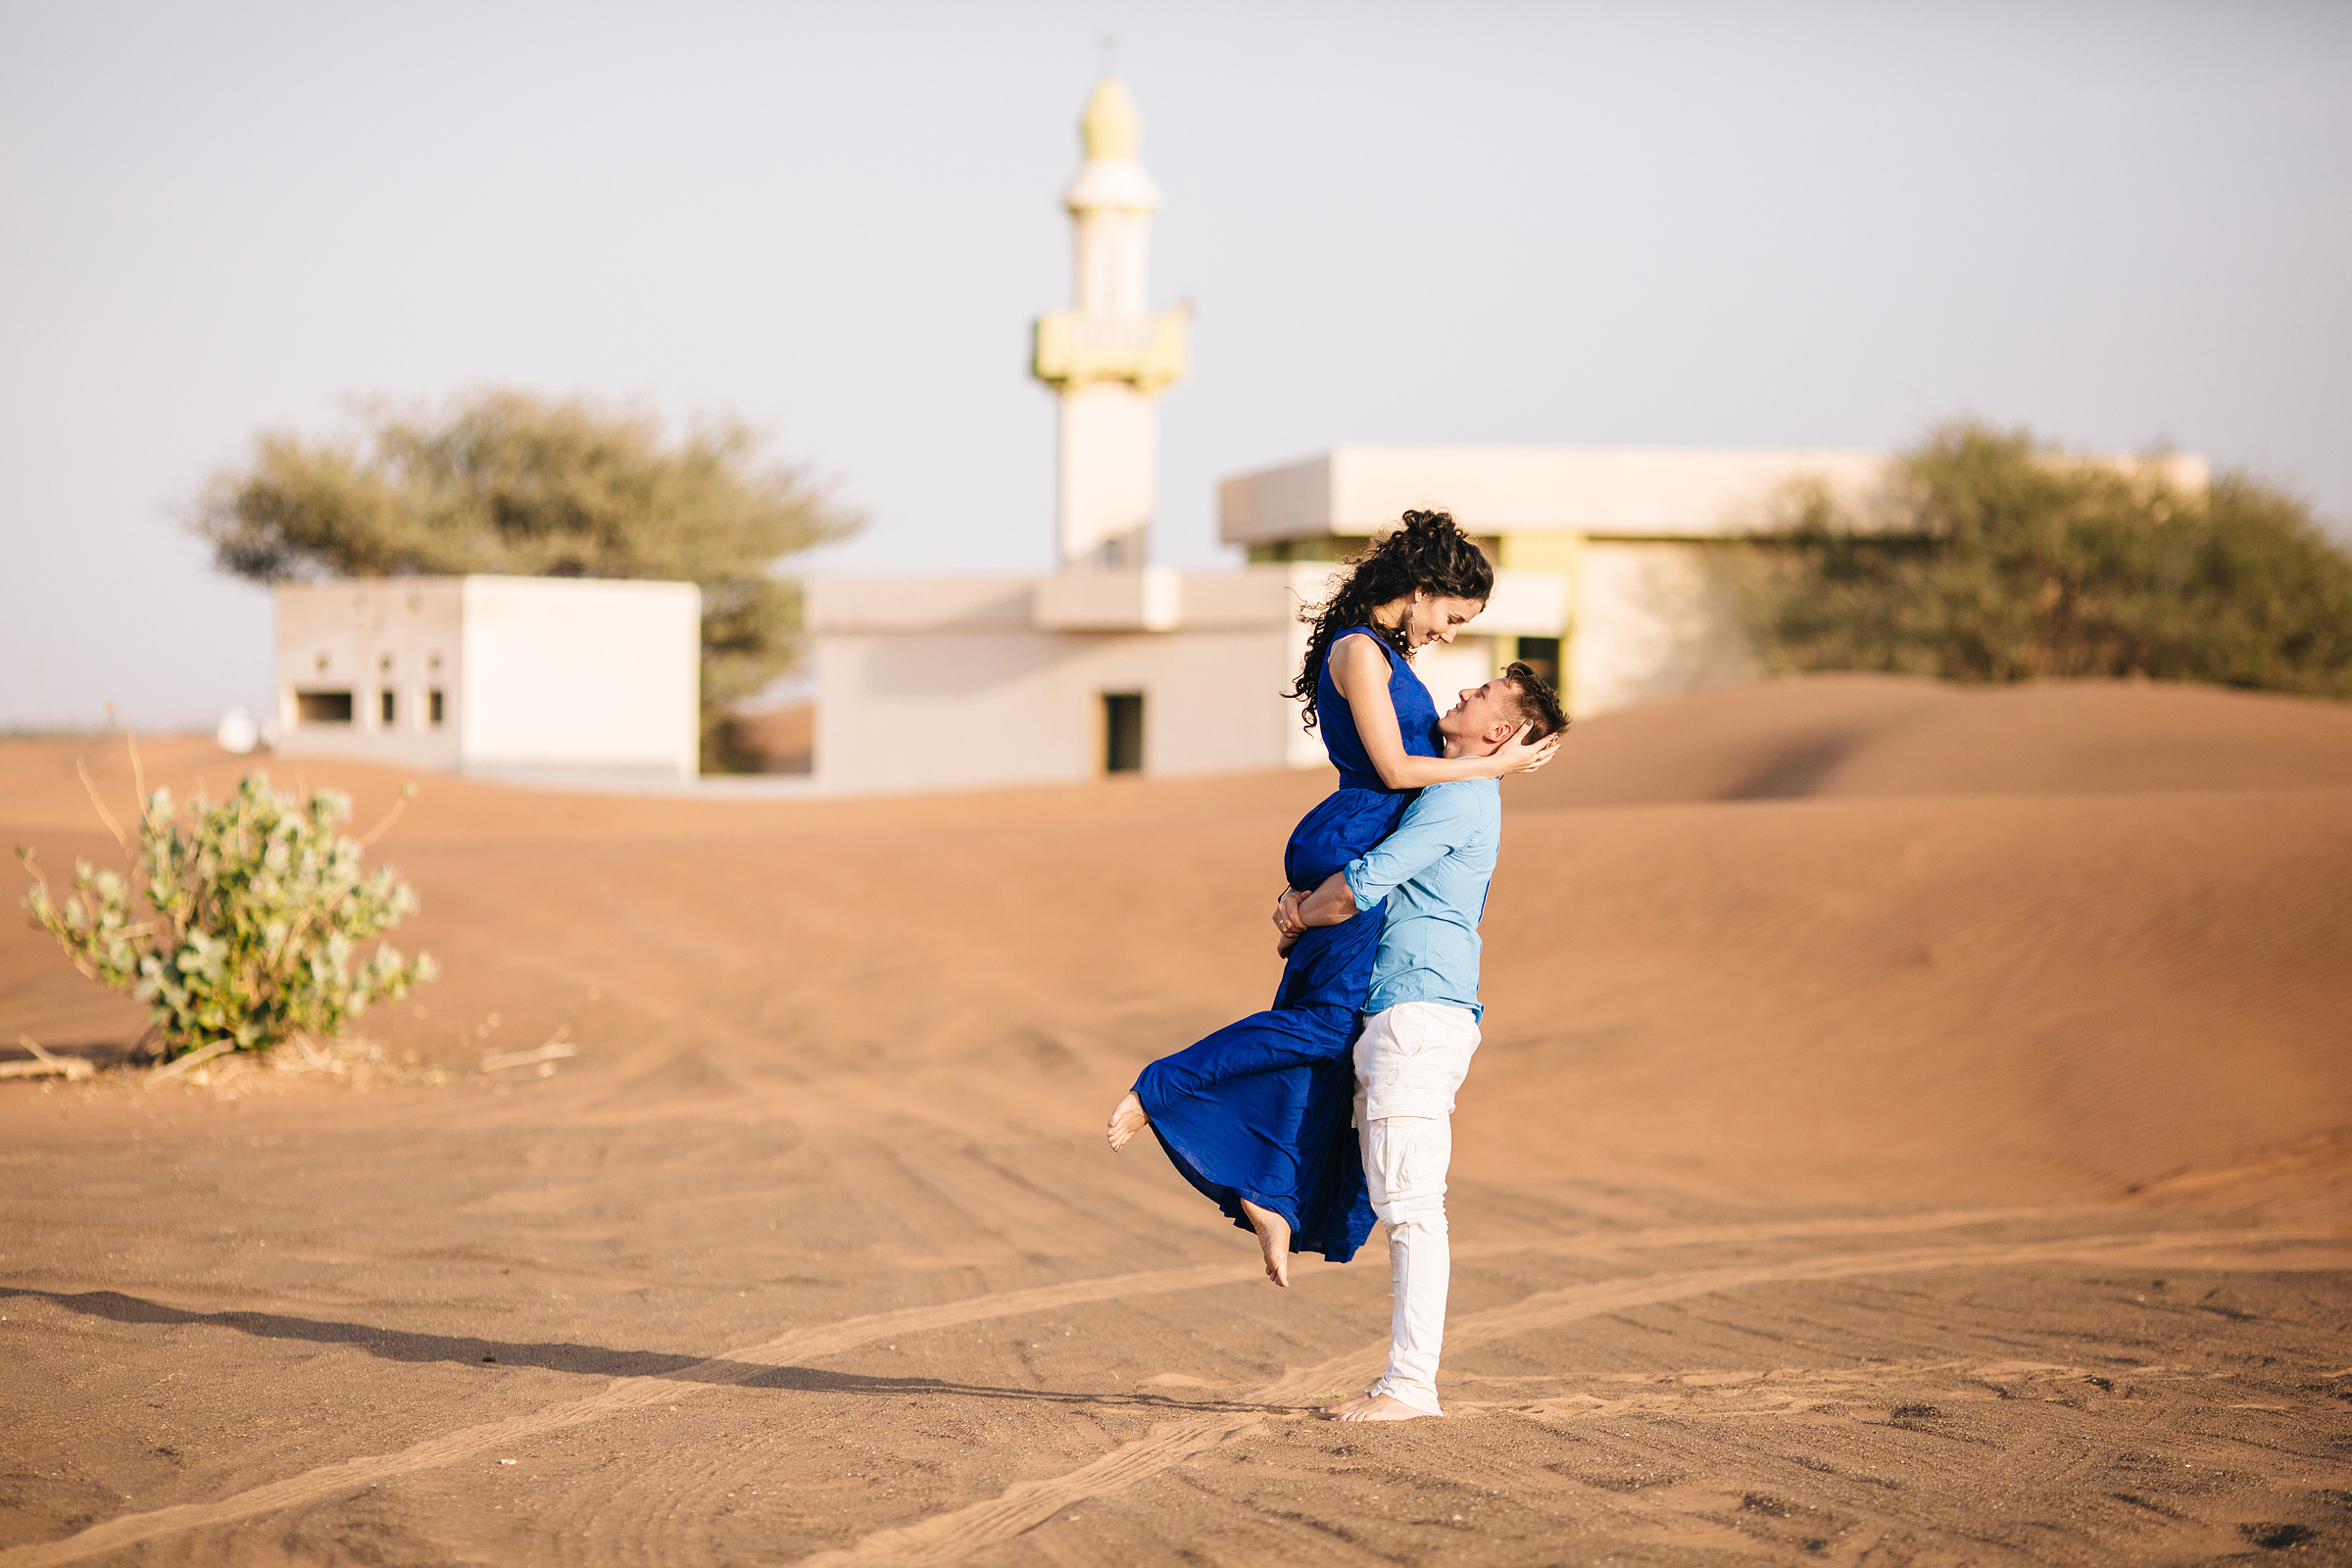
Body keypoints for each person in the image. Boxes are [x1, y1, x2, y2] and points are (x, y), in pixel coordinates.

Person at [1104, 512, 1558, 1286]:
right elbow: (1391, 767)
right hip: (1357, 834)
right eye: (1451, 617)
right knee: (1323, 1026)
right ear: (1420, 592)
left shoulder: (1382, 655)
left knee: (1331, 1037)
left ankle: (1274, 1195)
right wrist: (1492, 770)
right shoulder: (1359, 651)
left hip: (1358, 843)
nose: (1450, 636)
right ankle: (1165, 1086)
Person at [1276, 661, 1569, 1421]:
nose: (1461, 695)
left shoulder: (1463, 793)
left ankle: (1410, 1388)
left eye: (1480, 697)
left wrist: (1301, 914)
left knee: (1411, 1204)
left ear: (1499, 732)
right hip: (1400, 1010)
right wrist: (1302, 900)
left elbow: (1369, 879)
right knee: (1397, 1194)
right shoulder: (1452, 786)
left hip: (1416, 1016)